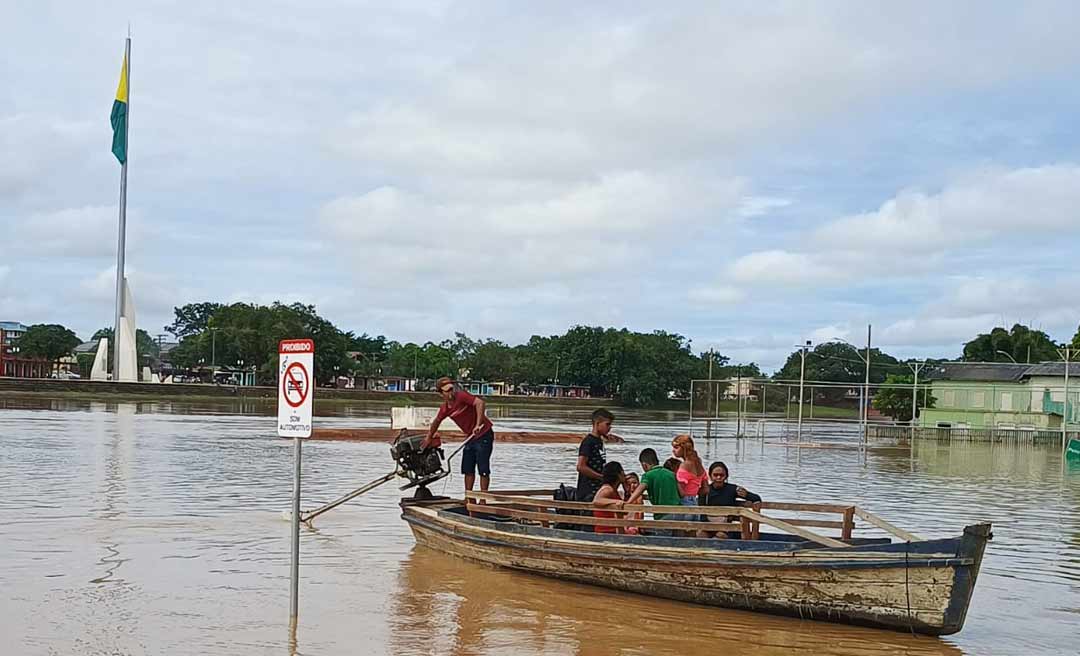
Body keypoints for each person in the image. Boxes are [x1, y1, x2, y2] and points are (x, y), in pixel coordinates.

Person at [422, 377, 494, 493]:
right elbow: (437, 421)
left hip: (484, 434)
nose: (451, 392)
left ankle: (483, 498)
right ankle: (469, 497)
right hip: (470, 438)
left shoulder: (461, 396)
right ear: (441, 393)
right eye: (447, 391)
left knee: (483, 468)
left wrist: (478, 424)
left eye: (452, 389)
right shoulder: (445, 408)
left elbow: (480, 403)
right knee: (468, 468)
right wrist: (429, 437)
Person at [698, 461, 762, 539]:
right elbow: (702, 515)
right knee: (701, 534)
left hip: (727, 528)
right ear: (710, 476)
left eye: (721, 475)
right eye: (715, 475)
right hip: (708, 525)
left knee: (720, 537)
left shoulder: (732, 489)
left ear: (726, 476)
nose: (718, 477)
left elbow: (756, 498)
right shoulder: (704, 491)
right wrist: (713, 529)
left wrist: (745, 494)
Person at [625, 448, 682, 536]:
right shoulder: (671, 474)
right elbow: (682, 494)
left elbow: (639, 491)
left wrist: (627, 503)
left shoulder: (648, 475)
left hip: (663, 516)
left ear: (644, 465)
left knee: (662, 541)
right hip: (679, 514)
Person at [575, 408, 613, 502]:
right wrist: (600, 477)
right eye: (607, 424)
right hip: (588, 490)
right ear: (597, 423)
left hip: (597, 489)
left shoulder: (599, 441)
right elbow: (580, 466)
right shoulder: (588, 442)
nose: (610, 427)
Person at [672, 434, 708, 525]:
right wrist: (694, 491)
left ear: (683, 448)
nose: (673, 450)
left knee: (680, 534)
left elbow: (682, 492)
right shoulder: (698, 462)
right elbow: (706, 489)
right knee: (692, 534)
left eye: (676, 447)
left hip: (684, 504)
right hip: (695, 503)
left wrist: (674, 479)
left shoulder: (685, 465)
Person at [592, 461, 627, 534]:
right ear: (618, 475)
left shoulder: (614, 490)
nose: (625, 474)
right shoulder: (607, 489)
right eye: (622, 471)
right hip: (607, 531)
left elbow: (625, 513)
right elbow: (596, 500)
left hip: (613, 529)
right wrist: (615, 502)